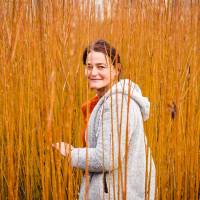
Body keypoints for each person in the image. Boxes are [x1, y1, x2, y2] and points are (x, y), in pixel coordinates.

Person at [52, 39, 156, 200]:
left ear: (116, 69)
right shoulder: (108, 101)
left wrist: (71, 154)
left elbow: (106, 159)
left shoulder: (117, 103)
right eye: (89, 67)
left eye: (101, 67)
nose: (93, 72)